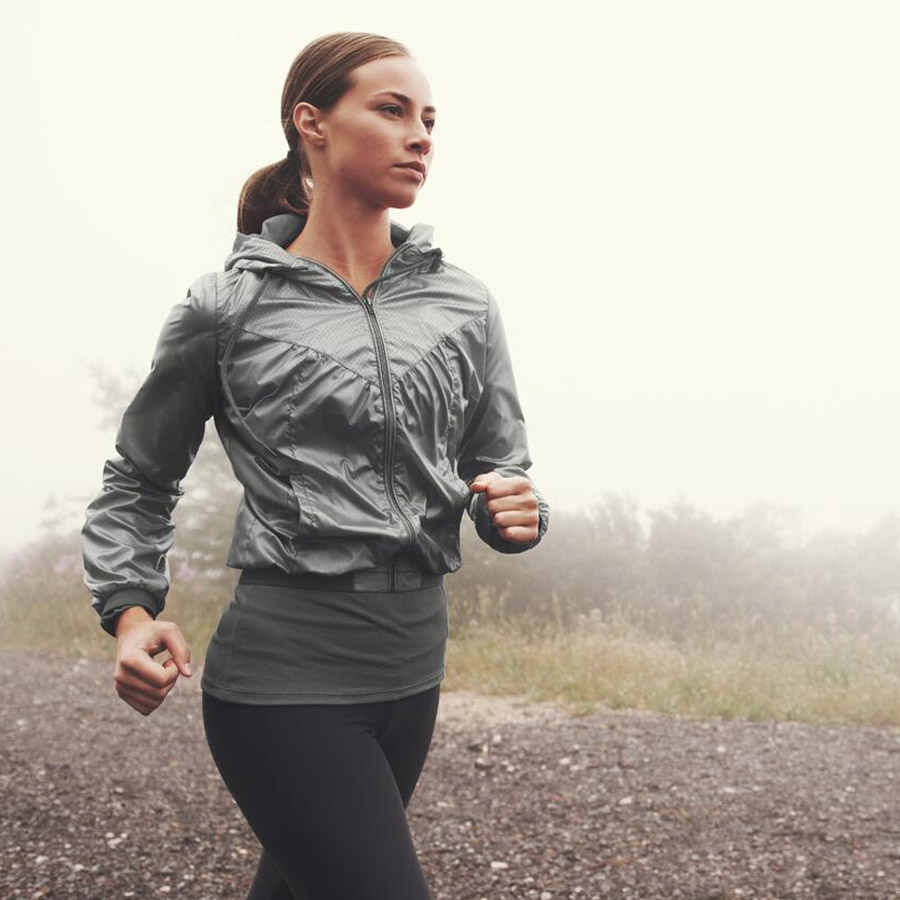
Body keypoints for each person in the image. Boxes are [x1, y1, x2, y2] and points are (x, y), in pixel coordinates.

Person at [81, 30, 550, 900]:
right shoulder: (227, 306)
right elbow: (140, 480)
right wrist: (130, 611)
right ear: (312, 123)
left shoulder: (464, 302)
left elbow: (501, 461)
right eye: (392, 109)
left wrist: (515, 509)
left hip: (414, 669)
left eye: (431, 119)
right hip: (284, 680)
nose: (422, 136)